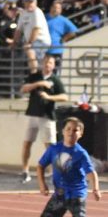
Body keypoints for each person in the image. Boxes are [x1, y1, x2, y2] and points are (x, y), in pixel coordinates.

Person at [35, 117, 100, 217]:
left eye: (75, 130)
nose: (71, 132)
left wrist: (95, 188)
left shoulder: (80, 153)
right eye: (68, 129)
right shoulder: (54, 149)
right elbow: (40, 166)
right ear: (62, 132)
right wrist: (42, 184)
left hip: (76, 193)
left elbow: (90, 172)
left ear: (81, 134)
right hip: (60, 193)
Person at [19, 55, 67, 184]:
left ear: (53, 65)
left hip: (47, 116)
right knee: (27, 143)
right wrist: (39, 84)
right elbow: (23, 89)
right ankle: (25, 171)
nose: (47, 65)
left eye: (50, 63)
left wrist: (49, 97)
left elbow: (64, 97)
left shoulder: (55, 80)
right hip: (32, 114)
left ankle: (53, 172)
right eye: (45, 62)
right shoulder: (35, 76)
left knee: (50, 146)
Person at [45, 1, 78, 73]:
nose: (56, 9)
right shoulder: (44, 17)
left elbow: (74, 32)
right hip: (44, 49)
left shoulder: (63, 20)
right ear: (51, 8)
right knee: (44, 71)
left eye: (58, 8)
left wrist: (64, 39)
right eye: (55, 7)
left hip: (57, 50)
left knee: (55, 71)